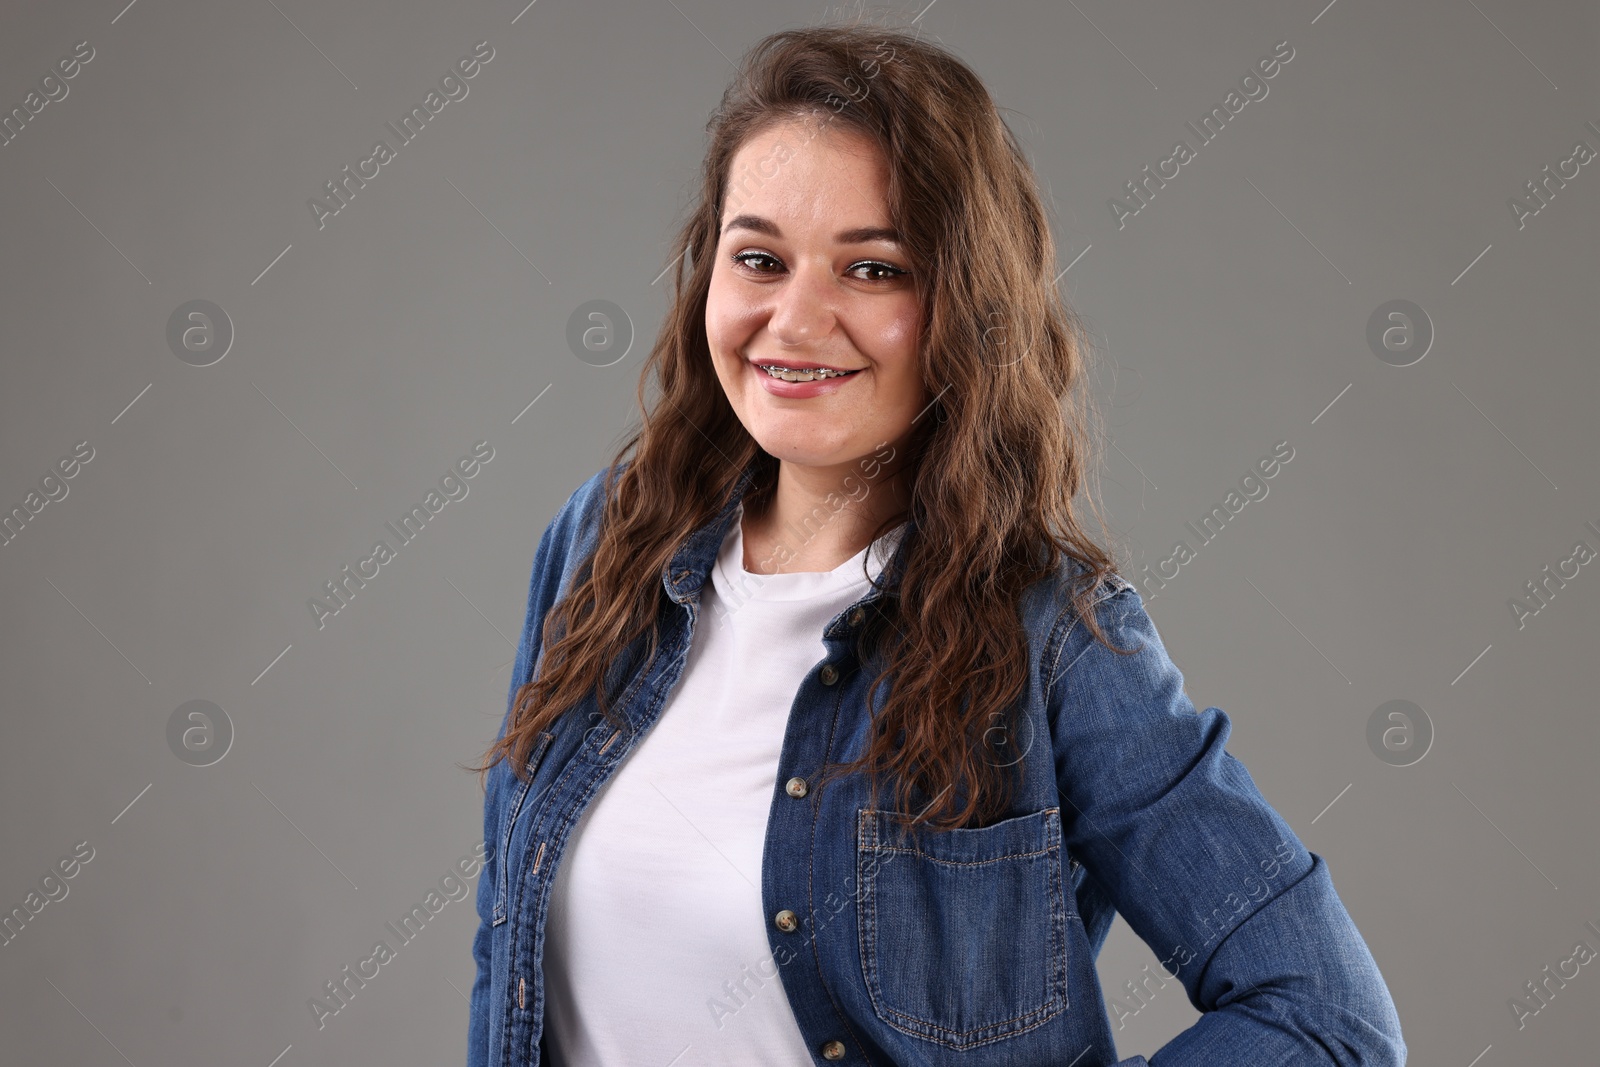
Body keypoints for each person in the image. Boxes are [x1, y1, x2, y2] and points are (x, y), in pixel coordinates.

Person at [467, 21, 1405, 1067]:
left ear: (967, 305)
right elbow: (506, 944)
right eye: (759, 258)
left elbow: (1326, 1018)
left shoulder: (1051, 636)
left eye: (872, 270)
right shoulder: (602, 543)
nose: (795, 317)